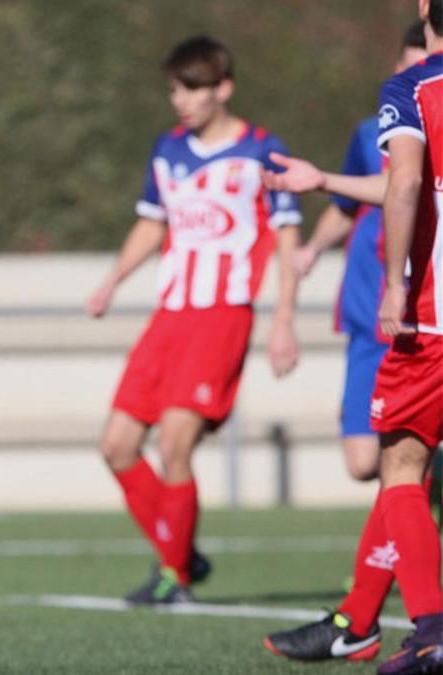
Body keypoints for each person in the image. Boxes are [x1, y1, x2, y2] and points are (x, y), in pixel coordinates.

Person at [87, 35, 302, 605]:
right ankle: (182, 552)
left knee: (176, 442)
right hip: (169, 317)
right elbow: (152, 224)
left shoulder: (263, 151)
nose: (180, 100)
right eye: (175, 90)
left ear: (223, 89)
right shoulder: (168, 150)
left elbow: (286, 237)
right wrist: (113, 280)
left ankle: (174, 576)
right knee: (117, 446)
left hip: (222, 317)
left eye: (192, 89)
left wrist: (283, 319)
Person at [264, 4, 443, 673]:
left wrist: (396, 283)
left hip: (430, 319)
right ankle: (356, 620)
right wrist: (327, 181)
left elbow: (405, 183)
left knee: (399, 463)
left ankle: (430, 629)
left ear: (426, 9)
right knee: (404, 466)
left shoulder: (415, 87)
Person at [291, 23, 428, 484]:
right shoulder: (375, 132)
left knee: (403, 459)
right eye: (412, 65)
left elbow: (402, 186)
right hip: (371, 315)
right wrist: (311, 247)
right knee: (363, 462)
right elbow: (350, 207)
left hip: (423, 310)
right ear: (399, 69)